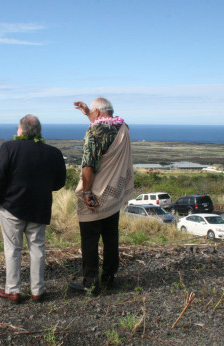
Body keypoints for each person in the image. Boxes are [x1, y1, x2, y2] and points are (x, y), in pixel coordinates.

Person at [0, 115, 66, 303]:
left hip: (10, 207)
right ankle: (37, 290)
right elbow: (59, 182)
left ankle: (13, 290)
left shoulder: (8, 148)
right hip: (39, 207)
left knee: (13, 249)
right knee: (38, 247)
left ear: (21, 131)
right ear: (38, 132)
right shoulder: (53, 153)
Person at [68, 98, 134, 295]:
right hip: (114, 193)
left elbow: (88, 165)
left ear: (97, 113)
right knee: (111, 236)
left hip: (96, 193)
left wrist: (87, 192)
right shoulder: (123, 127)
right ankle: (109, 277)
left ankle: (90, 282)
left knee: (89, 239)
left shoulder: (93, 133)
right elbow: (106, 126)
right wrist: (89, 112)